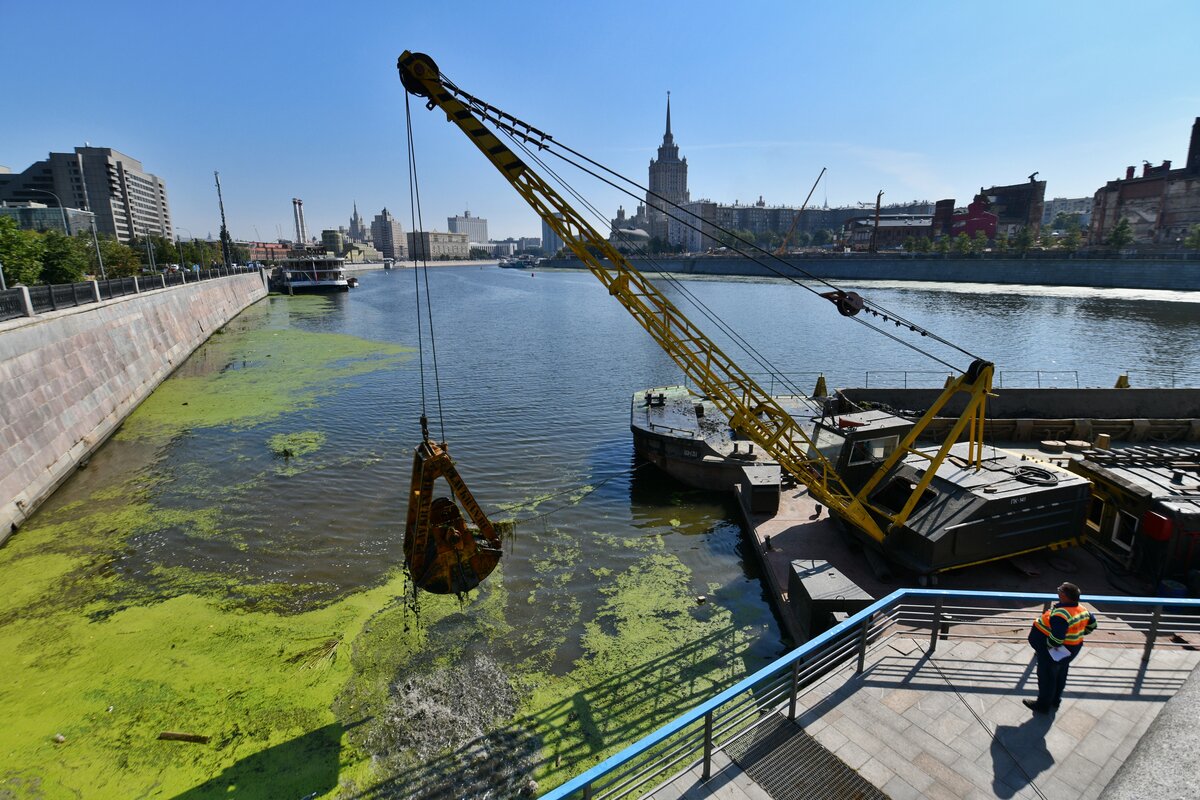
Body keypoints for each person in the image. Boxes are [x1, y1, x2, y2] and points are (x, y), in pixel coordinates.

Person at [1024, 582, 1097, 714]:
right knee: (1060, 675)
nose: (1058, 592)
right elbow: (1092, 625)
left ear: (1063, 595)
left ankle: (1043, 705)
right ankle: (1055, 700)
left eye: (1059, 590)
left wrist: (1047, 647)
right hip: (1071, 650)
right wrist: (1078, 633)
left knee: (1047, 677)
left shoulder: (1061, 615)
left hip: (1056, 652)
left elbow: (1057, 639)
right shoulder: (1083, 609)